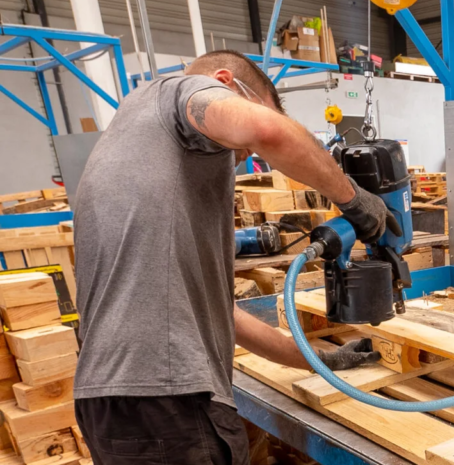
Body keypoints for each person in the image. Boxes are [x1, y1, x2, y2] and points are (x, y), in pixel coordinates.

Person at [72, 51, 391, 465]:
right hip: (167, 402)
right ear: (224, 82)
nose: (244, 155)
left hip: (114, 406)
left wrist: (320, 361)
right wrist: (353, 199)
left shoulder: (138, 143)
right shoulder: (178, 93)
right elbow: (266, 129)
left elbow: (222, 315)